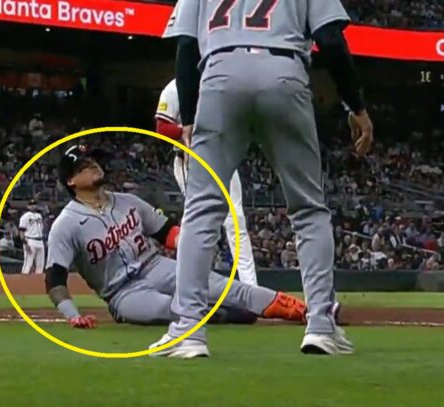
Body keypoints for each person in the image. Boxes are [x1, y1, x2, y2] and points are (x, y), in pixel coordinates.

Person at [156, 0, 372, 357]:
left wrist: (191, 117)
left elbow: (187, 46)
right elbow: (331, 40)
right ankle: (321, 325)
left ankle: (187, 331)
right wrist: (357, 106)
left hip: (219, 75)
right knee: (308, 209)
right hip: (284, 71)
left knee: (202, 210)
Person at [43, 145, 308, 335]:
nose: (93, 165)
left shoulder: (128, 202)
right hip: (122, 293)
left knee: (228, 288)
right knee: (174, 310)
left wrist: (190, 246)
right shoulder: (66, 225)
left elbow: (166, 232)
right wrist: (72, 315)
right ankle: (224, 314)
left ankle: (305, 310)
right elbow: (55, 279)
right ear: (71, 180)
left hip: (157, 266)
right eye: (83, 166)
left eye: (93, 161)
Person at [156, 78, 258, 286]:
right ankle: (191, 282)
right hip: (191, 162)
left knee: (236, 222)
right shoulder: (175, 88)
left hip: (223, 158)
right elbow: (162, 128)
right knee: (199, 222)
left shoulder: (221, 82)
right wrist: (189, 130)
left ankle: (250, 286)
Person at [19, 199, 46, 274]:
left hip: (40, 240)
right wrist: (25, 244)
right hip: (30, 240)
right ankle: (23, 278)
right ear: (28, 206)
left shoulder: (39, 215)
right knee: (28, 263)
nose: (33, 206)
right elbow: (21, 231)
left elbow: (42, 228)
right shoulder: (25, 216)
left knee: (40, 264)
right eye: (31, 205)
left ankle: (38, 280)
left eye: (34, 204)